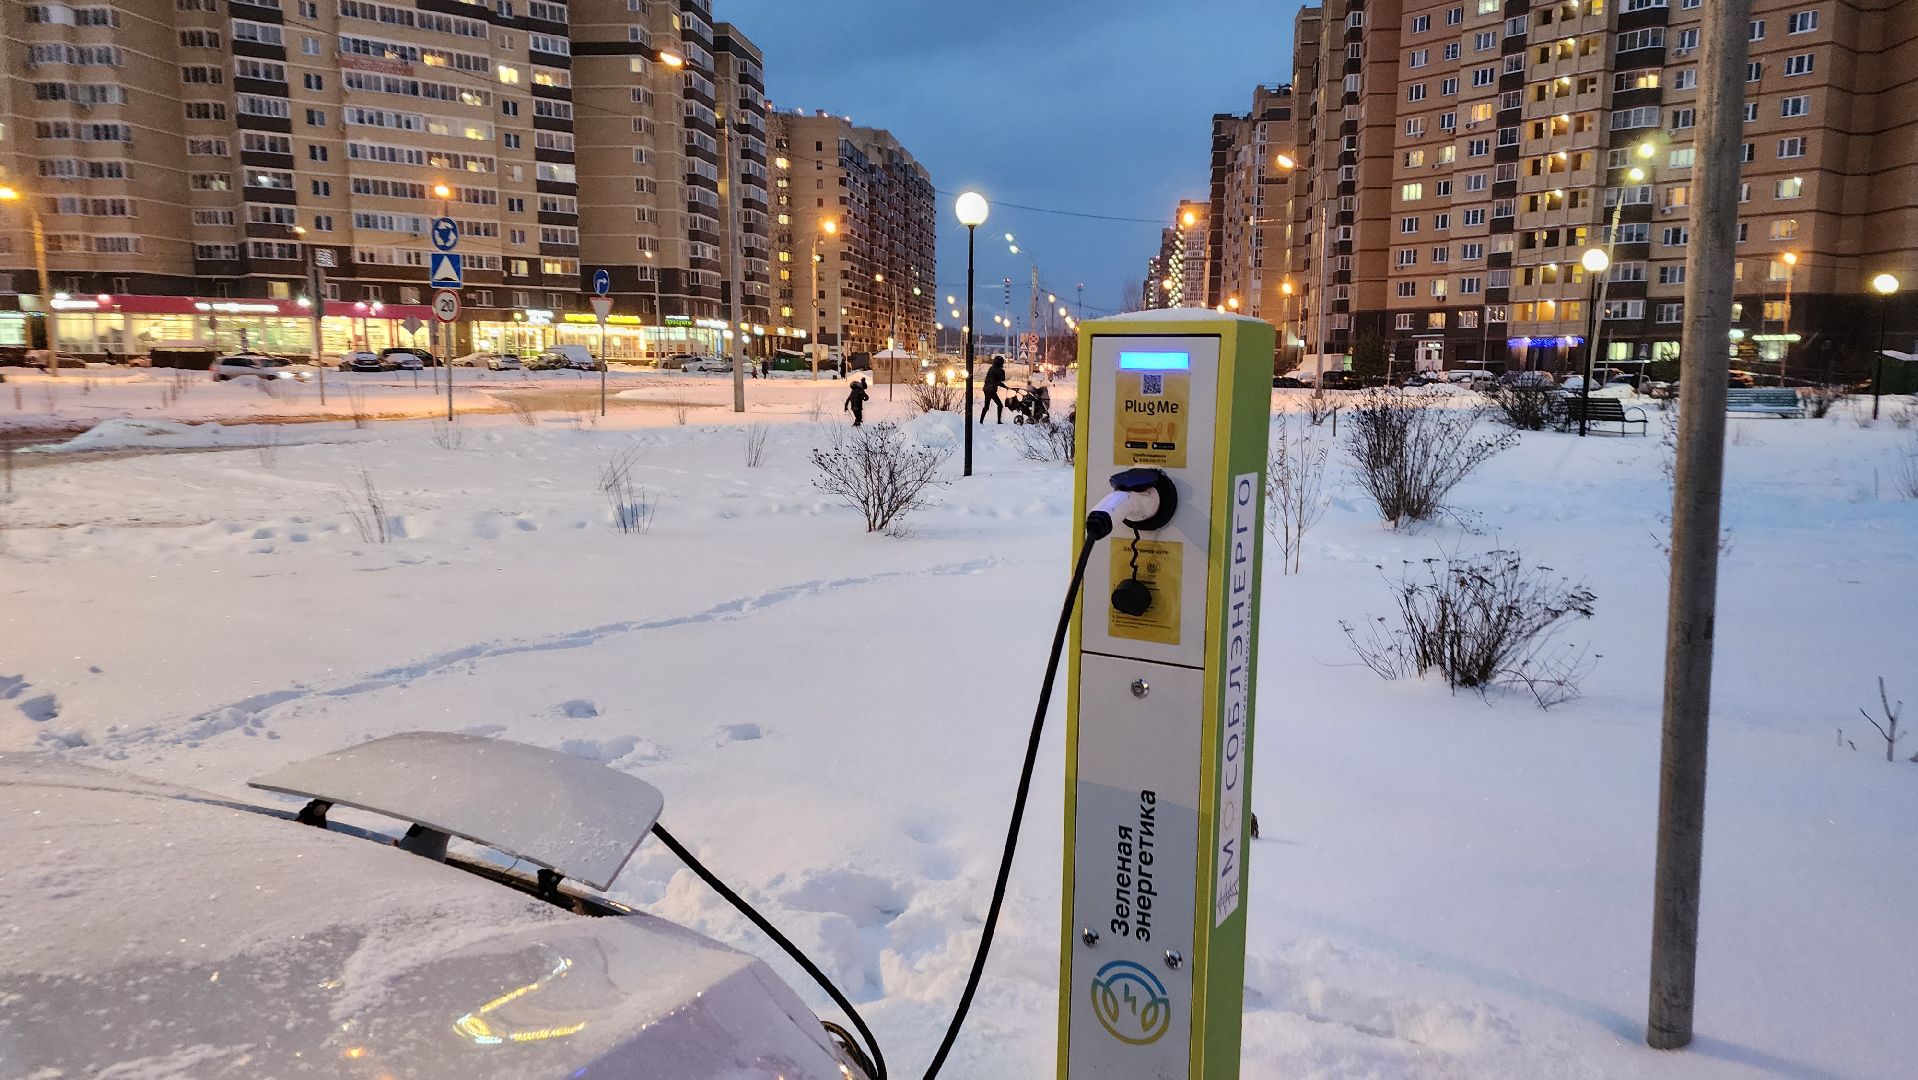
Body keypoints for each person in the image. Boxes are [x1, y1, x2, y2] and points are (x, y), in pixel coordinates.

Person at [980, 355, 1009, 424]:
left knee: (987, 406)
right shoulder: (996, 370)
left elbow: (997, 380)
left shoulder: (992, 369)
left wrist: (1004, 386)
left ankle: (981, 421)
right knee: (999, 405)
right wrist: (1005, 386)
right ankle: (998, 421)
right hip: (990, 390)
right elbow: (1000, 380)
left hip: (988, 389)